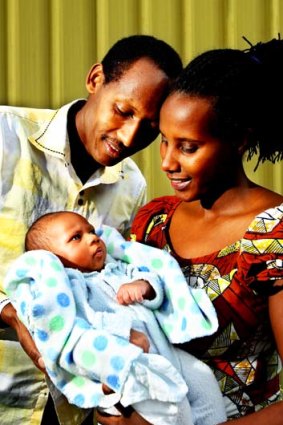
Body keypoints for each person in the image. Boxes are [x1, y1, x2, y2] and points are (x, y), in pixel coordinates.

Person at [0, 35, 183, 425]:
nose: (130, 137)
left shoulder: (131, 186)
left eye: (150, 128)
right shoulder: (5, 136)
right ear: (96, 78)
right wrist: (11, 312)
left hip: (73, 408)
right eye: (122, 111)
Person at [127, 37, 283, 425]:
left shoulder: (274, 235)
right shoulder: (153, 223)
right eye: (164, 141)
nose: (166, 162)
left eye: (188, 147)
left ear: (238, 139)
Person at [4, 210, 226, 425]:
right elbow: (81, 326)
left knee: (203, 378)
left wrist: (143, 285)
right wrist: (123, 332)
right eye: (76, 237)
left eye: (91, 231)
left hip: (166, 351)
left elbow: (154, 279)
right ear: (54, 259)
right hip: (130, 366)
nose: (93, 238)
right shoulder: (72, 289)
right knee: (171, 405)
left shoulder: (116, 266)